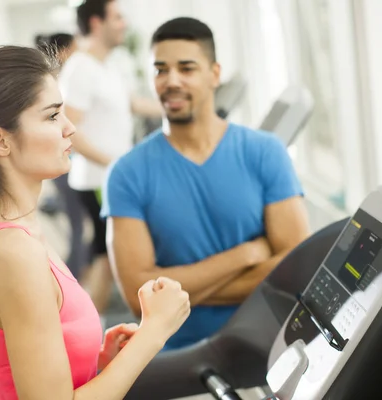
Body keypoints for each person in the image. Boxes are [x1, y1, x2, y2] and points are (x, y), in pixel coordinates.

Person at [0, 45, 190, 399]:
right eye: (52, 116)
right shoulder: (12, 253)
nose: (70, 128)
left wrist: (95, 362)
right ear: (0, 140)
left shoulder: (4, 230)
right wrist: (155, 331)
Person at [101, 17, 311, 350]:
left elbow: (298, 268)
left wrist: (179, 292)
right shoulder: (126, 173)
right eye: (160, 70)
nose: (171, 81)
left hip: (271, 343)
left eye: (186, 68)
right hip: (180, 352)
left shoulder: (265, 152)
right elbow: (136, 295)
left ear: (214, 74)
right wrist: (243, 256)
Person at [58, 0, 161, 318]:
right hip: (99, 180)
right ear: (96, 22)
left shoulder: (108, 66)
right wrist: (114, 164)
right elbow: (68, 131)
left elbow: (133, 104)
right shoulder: (80, 69)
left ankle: (85, 324)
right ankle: (87, 330)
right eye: (117, 17)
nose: (124, 24)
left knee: (104, 255)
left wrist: (184, 108)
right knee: (107, 256)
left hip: (111, 177)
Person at [34, 33, 87, 279]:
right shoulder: (58, 86)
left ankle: (77, 273)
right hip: (68, 167)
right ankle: (75, 276)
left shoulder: (60, 84)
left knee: (79, 225)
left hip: (69, 165)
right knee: (78, 225)